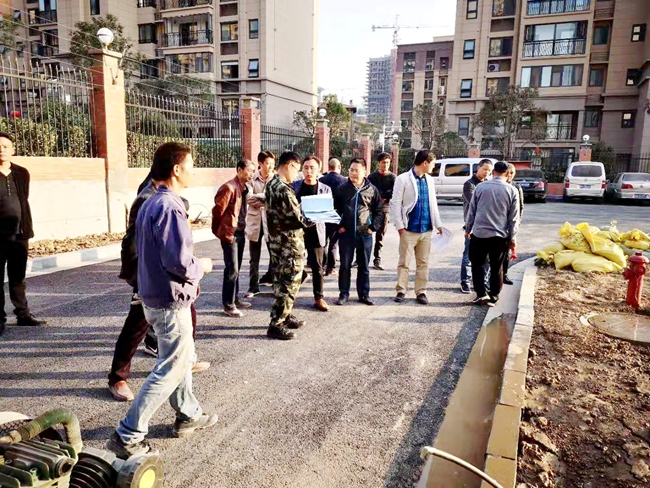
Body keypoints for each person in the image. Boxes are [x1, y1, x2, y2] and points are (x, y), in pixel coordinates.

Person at [106, 142, 216, 459]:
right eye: (191, 165)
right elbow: (178, 262)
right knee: (170, 368)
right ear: (177, 169)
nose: (194, 171)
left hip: (155, 296)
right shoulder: (168, 206)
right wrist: (202, 266)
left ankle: (188, 414)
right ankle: (127, 434)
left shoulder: (151, 201)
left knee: (181, 359)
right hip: (169, 301)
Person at [108, 174, 209, 402]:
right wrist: (137, 278)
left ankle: (185, 360)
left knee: (189, 313)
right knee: (137, 323)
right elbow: (132, 242)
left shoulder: (167, 196)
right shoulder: (148, 199)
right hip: (151, 276)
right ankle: (117, 378)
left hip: (171, 277)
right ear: (173, 169)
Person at [0, 132, 45, 337]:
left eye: (6, 146)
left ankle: (23, 314)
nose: (2, 149)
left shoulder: (21, 173)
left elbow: (23, 199)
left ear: (12, 150)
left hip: (19, 234)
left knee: (18, 276)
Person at [265, 151, 312, 340]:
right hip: (289, 245)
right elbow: (298, 218)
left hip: (277, 242)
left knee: (280, 281)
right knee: (290, 283)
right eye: (297, 169)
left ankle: (285, 314)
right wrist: (318, 216)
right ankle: (276, 323)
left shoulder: (272, 183)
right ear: (289, 165)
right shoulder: (284, 189)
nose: (298, 174)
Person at [390, 150, 443, 305]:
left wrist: (438, 224)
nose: (433, 167)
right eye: (433, 163)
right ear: (425, 163)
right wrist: (400, 226)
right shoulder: (403, 179)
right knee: (404, 262)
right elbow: (396, 203)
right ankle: (401, 290)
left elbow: (433, 204)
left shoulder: (429, 180)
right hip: (409, 228)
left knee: (423, 262)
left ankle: (421, 291)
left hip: (426, 228)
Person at [465, 161, 520, 307]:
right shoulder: (512, 190)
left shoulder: (480, 187)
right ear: (507, 173)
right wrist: (512, 238)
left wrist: (468, 229)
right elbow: (513, 219)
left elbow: (472, 211)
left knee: (477, 265)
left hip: (479, 234)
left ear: (493, 172)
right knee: (497, 267)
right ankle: (494, 296)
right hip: (499, 236)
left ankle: (481, 293)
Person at [333, 158, 383, 306]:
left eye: (356, 170)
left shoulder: (372, 190)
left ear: (364, 171)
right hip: (346, 234)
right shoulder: (342, 189)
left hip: (365, 234)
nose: (353, 173)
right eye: (351, 170)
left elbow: (379, 211)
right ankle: (343, 294)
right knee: (345, 266)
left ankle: (364, 294)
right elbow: (334, 209)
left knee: (364, 266)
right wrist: (339, 226)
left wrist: (372, 227)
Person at [212, 158, 256, 318]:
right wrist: (221, 231)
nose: (252, 174)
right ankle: (228, 305)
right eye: (249, 170)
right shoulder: (229, 187)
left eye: (253, 171)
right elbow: (217, 211)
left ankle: (235, 299)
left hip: (240, 231)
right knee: (232, 269)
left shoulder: (244, 187)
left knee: (236, 268)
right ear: (239, 170)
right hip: (230, 233)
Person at [292, 155, 331, 312]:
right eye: (306, 168)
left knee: (317, 267)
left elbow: (326, 212)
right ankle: (290, 296)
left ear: (318, 170)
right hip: (297, 231)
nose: (309, 171)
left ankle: (319, 297)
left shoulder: (325, 189)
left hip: (316, 231)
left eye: (312, 168)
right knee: (294, 265)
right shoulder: (294, 186)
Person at [460, 159, 494, 294]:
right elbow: (475, 203)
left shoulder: (488, 184)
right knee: (468, 255)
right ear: (478, 168)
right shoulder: (469, 184)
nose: (487, 172)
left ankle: (483, 282)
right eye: (485, 169)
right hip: (472, 225)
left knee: (486, 257)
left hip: (486, 225)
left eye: (489, 171)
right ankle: (465, 281)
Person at [245, 151, 276, 297]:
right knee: (254, 258)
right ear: (260, 163)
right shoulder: (252, 178)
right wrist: (265, 199)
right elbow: (248, 198)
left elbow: (275, 199)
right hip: (255, 222)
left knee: (274, 255)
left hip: (271, 222)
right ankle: (253, 287)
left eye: (272, 164)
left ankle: (275, 283)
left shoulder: (275, 179)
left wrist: (260, 198)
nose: (270, 167)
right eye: (268, 163)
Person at [367, 152, 396, 270]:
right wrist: (380, 195)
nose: (385, 165)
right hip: (370, 208)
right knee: (365, 233)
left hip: (384, 208)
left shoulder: (393, 177)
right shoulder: (372, 177)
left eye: (388, 163)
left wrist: (379, 195)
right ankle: (359, 259)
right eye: (383, 162)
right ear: (378, 163)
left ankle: (377, 259)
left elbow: (393, 192)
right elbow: (368, 191)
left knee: (380, 235)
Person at [319, 157, 347, 276]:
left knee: (322, 241)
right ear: (339, 167)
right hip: (337, 215)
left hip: (322, 214)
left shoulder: (321, 179)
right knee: (333, 243)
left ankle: (322, 264)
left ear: (328, 167)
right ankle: (331, 267)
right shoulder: (344, 181)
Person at [503, 163, 524, 285]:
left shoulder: (516, 187)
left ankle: (504, 274)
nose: (510, 175)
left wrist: (517, 222)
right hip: (498, 224)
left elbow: (520, 207)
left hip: (510, 225)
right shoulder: (499, 185)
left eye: (512, 173)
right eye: (508, 172)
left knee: (507, 252)